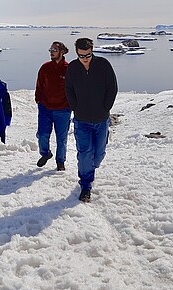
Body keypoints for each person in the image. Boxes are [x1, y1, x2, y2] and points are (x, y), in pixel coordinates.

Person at [65, 37, 118, 203]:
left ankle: (90, 168)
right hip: (82, 121)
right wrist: (75, 107)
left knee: (99, 154)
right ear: (77, 54)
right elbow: (68, 89)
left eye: (88, 55)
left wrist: (105, 108)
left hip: (101, 119)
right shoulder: (73, 68)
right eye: (81, 56)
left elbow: (112, 87)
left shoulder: (103, 65)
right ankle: (86, 185)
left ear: (92, 51)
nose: (85, 59)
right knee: (85, 153)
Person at [35, 41, 71, 171]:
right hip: (45, 108)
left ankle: (60, 161)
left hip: (63, 109)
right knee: (42, 135)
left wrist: (70, 104)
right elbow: (39, 85)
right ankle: (45, 154)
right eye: (50, 49)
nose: (51, 52)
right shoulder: (45, 67)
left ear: (61, 52)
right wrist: (39, 100)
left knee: (62, 138)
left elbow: (73, 88)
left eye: (54, 49)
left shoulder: (69, 68)